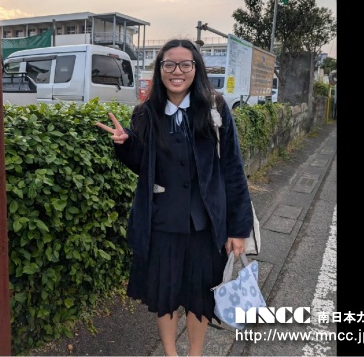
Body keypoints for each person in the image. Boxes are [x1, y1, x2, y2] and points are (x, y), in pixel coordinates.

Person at [95, 38, 253, 356]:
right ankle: (170, 353)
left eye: (185, 64)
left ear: (196, 68)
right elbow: (145, 167)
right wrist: (126, 144)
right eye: (169, 64)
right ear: (160, 69)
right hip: (163, 223)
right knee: (165, 296)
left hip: (205, 225)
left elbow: (232, 169)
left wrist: (238, 229)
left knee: (200, 297)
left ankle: (195, 353)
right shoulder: (146, 113)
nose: (177, 71)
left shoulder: (215, 109)